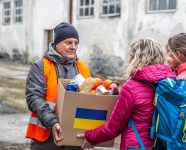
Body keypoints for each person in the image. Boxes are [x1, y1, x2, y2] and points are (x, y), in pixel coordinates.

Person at [77, 38, 176, 150]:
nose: (129, 60)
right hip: (163, 145)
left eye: (132, 56)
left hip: (137, 146)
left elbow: (113, 128)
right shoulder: (171, 83)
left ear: (139, 58)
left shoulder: (132, 88)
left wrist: (90, 136)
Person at [25, 22, 92, 150]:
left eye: (76, 43)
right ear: (56, 43)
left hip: (76, 138)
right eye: (68, 42)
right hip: (46, 139)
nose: (73, 47)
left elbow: (92, 99)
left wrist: (92, 132)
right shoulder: (40, 66)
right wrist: (53, 122)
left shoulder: (84, 68)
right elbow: (34, 98)